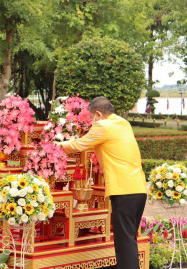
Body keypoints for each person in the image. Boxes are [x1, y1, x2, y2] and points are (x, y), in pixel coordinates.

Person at [59, 96, 147, 269]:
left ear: (98, 114)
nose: (92, 121)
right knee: (129, 240)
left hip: (123, 191)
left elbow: (79, 145)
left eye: (92, 117)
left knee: (124, 243)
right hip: (139, 189)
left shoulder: (103, 126)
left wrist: (58, 144)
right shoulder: (123, 123)